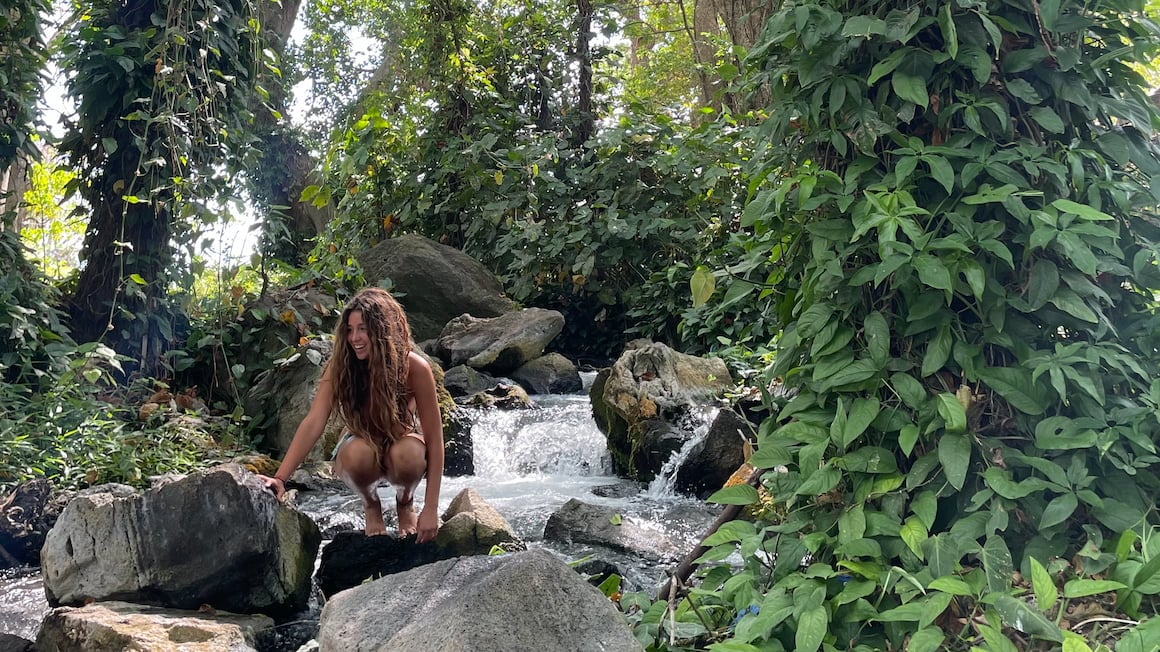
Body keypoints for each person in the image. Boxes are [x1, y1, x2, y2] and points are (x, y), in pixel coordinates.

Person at [258, 287, 444, 542]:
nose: (354, 337)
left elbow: (435, 439)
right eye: (349, 329)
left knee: (408, 455)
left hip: (403, 442)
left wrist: (431, 508)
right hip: (360, 444)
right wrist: (280, 478)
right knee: (357, 455)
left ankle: (405, 501)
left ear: (383, 331)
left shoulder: (414, 368)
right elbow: (314, 422)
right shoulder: (340, 366)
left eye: (363, 329)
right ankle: (371, 504)